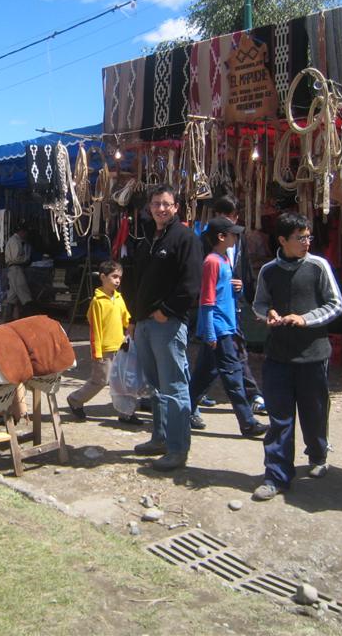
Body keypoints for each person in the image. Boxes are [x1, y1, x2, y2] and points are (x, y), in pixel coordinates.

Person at [251, 212, 342, 501]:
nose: (306, 243)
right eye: (300, 238)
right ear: (282, 240)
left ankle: (317, 454)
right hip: (278, 355)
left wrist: (306, 319)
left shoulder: (318, 266)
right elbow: (259, 303)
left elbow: (335, 304)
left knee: (314, 412)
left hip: (313, 354)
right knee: (279, 418)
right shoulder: (268, 270)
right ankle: (276, 475)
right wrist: (268, 314)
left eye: (308, 237)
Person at [129, 185, 203, 471]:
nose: (161, 208)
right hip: (145, 323)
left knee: (173, 387)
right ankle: (159, 438)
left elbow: (191, 283)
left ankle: (177, 448)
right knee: (156, 387)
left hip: (167, 324)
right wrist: (135, 318)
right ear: (149, 207)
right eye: (156, 203)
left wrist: (167, 311)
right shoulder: (146, 237)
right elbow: (136, 280)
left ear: (176, 208)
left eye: (167, 204)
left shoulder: (185, 238)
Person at [188, 216, 269, 438]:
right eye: (233, 233)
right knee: (233, 376)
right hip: (219, 328)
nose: (236, 237)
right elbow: (206, 300)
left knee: (204, 375)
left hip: (225, 326)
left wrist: (239, 289)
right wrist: (211, 332)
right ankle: (248, 423)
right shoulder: (213, 262)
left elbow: (224, 294)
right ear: (222, 237)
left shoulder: (223, 260)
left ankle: (181, 412)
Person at [200, 196, 266, 416]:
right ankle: (248, 414)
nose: (226, 220)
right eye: (221, 216)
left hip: (229, 314)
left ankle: (190, 403)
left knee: (212, 366)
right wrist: (209, 330)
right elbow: (207, 296)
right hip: (219, 321)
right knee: (232, 364)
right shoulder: (210, 256)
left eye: (229, 216)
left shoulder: (235, 244)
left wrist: (244, 292)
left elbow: (244, 270)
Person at [67, 259, 136, 424]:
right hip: (104, 349)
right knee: (100, 381)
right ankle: (75, 399)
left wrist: (133, 329)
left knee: (122, 381)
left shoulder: (119, 298)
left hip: (120, 347)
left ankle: (126, 413)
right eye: (114, 276)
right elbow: (95, 329)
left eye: (119, 277)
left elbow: (126, 318)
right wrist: (96, 352)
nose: (117, 280)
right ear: (103, 277)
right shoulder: (97, 303)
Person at [3, 223, 33, 321]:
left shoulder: (16, 240)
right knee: (24, 293)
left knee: (12, 296)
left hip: (14, 269)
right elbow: (16, 257)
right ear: (21, 232)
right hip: (16, 268)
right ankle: (29, 317)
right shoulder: (15, 241)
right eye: (25, 233)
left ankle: (7, 318)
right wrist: (26, 259)